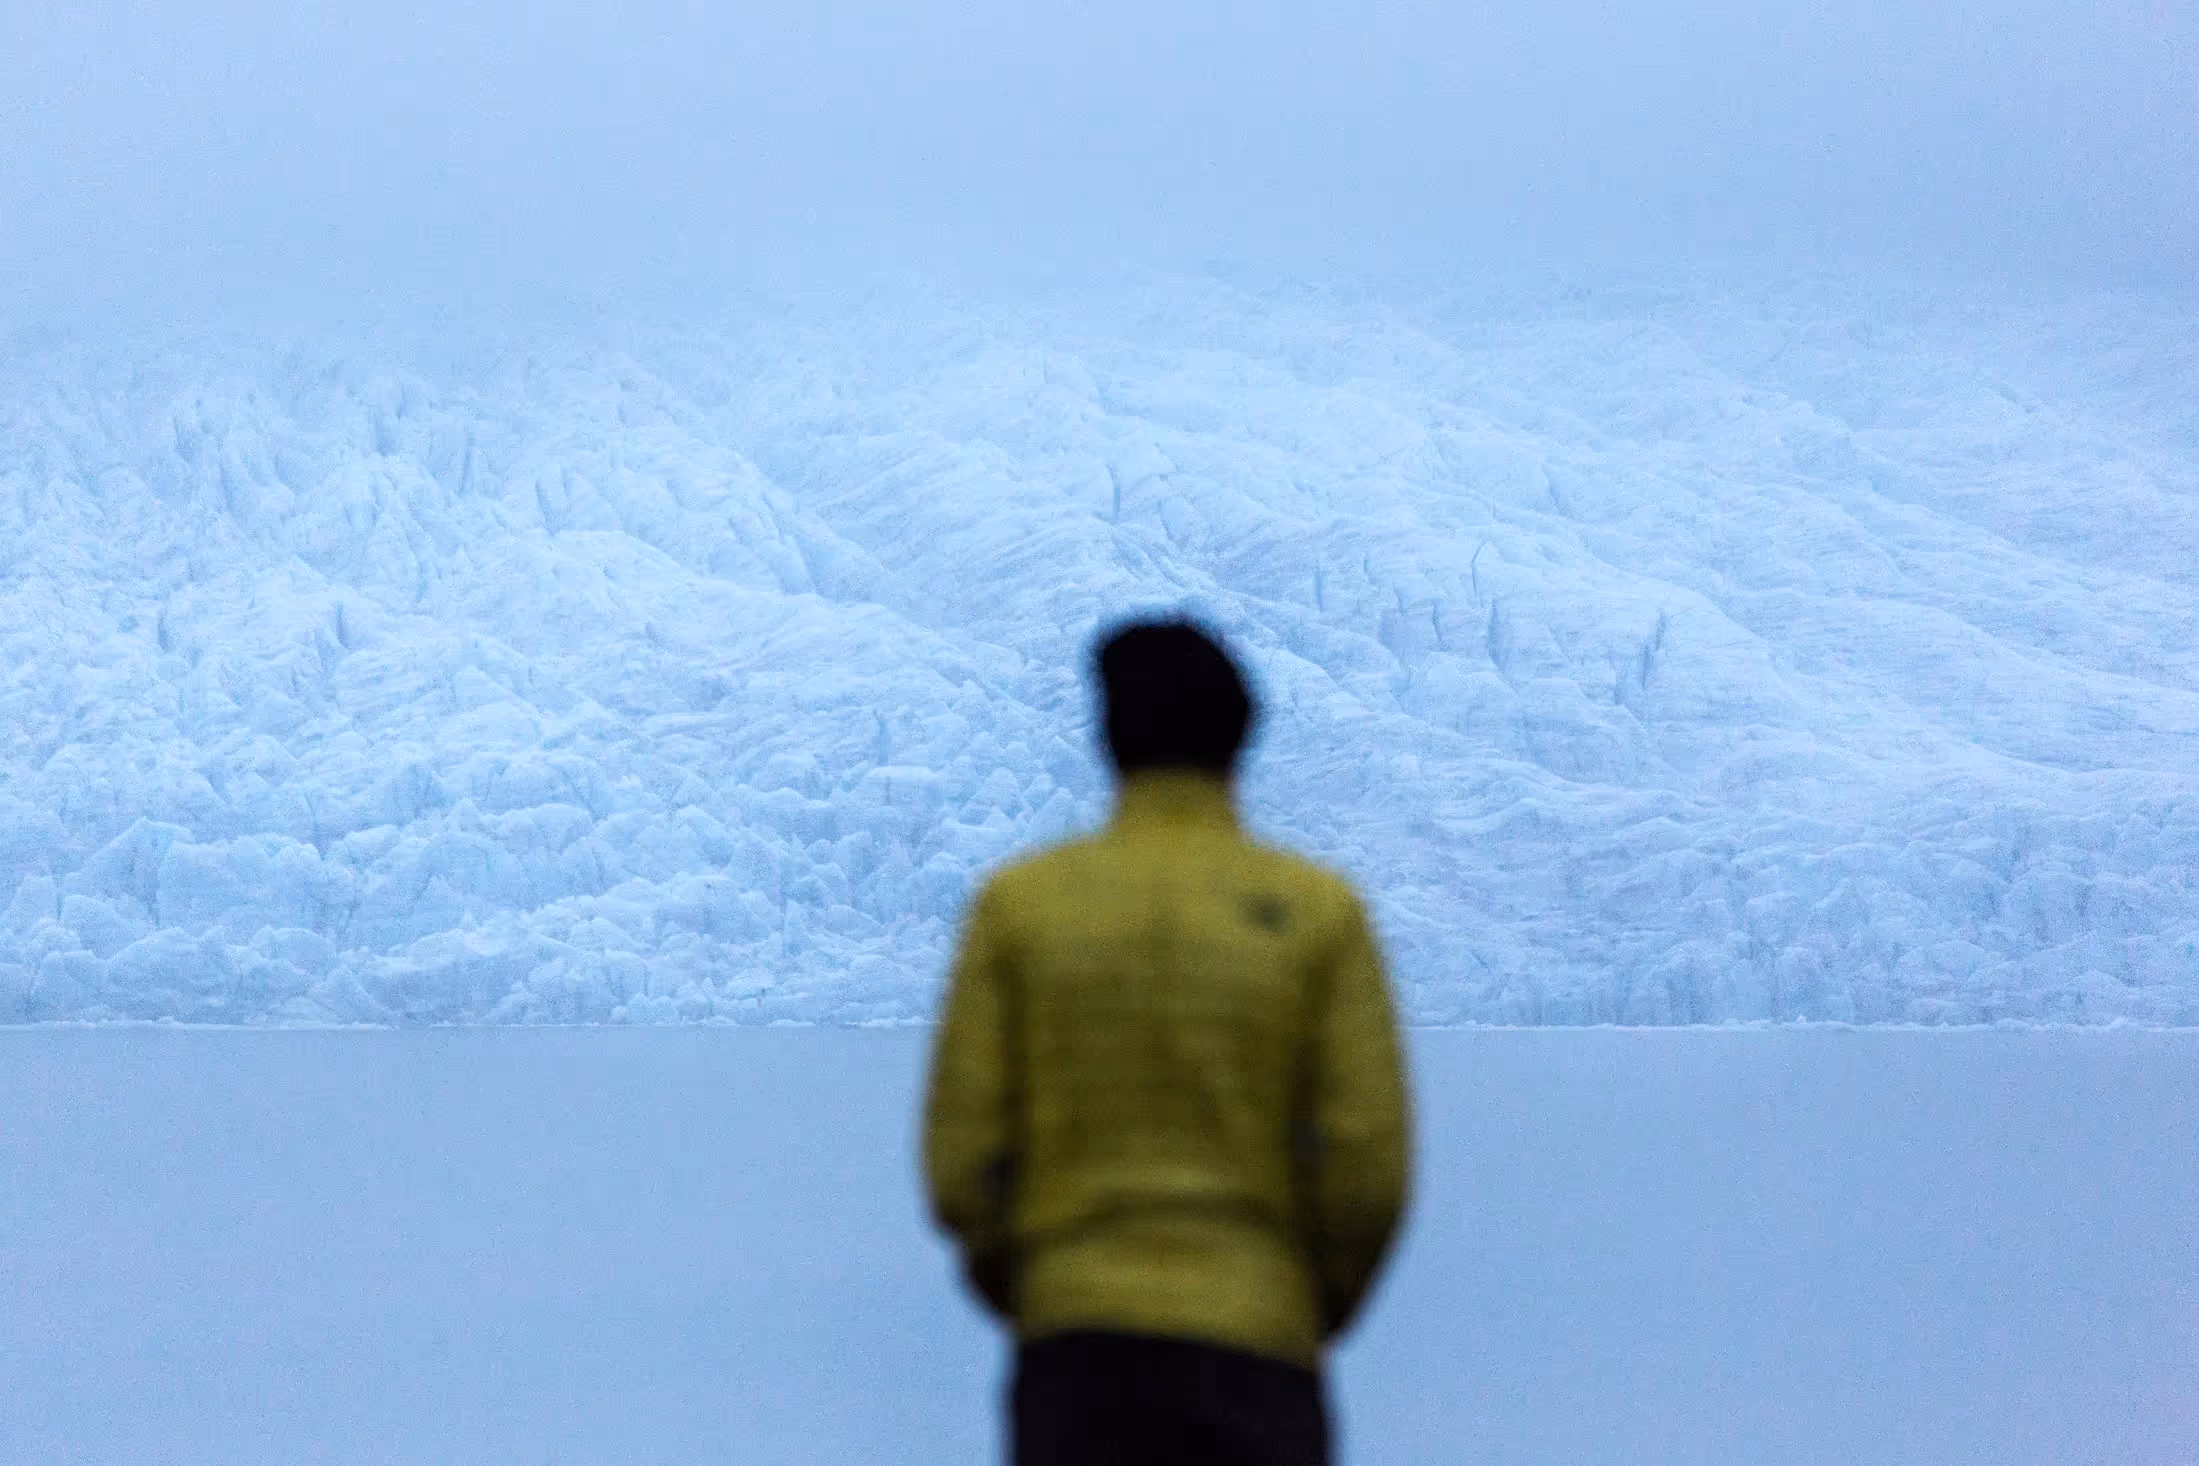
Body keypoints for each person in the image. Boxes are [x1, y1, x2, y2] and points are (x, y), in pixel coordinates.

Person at [923, 617, 1413, 1466]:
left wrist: (1037, 1284)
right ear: (1242, 739)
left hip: (1075, 1348)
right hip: (1256, 1343)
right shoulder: (1318, 913)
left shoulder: (1023, 907)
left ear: (1107, 738)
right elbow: (1367, 1164)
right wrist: (1301, 1300)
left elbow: (962, 1160)